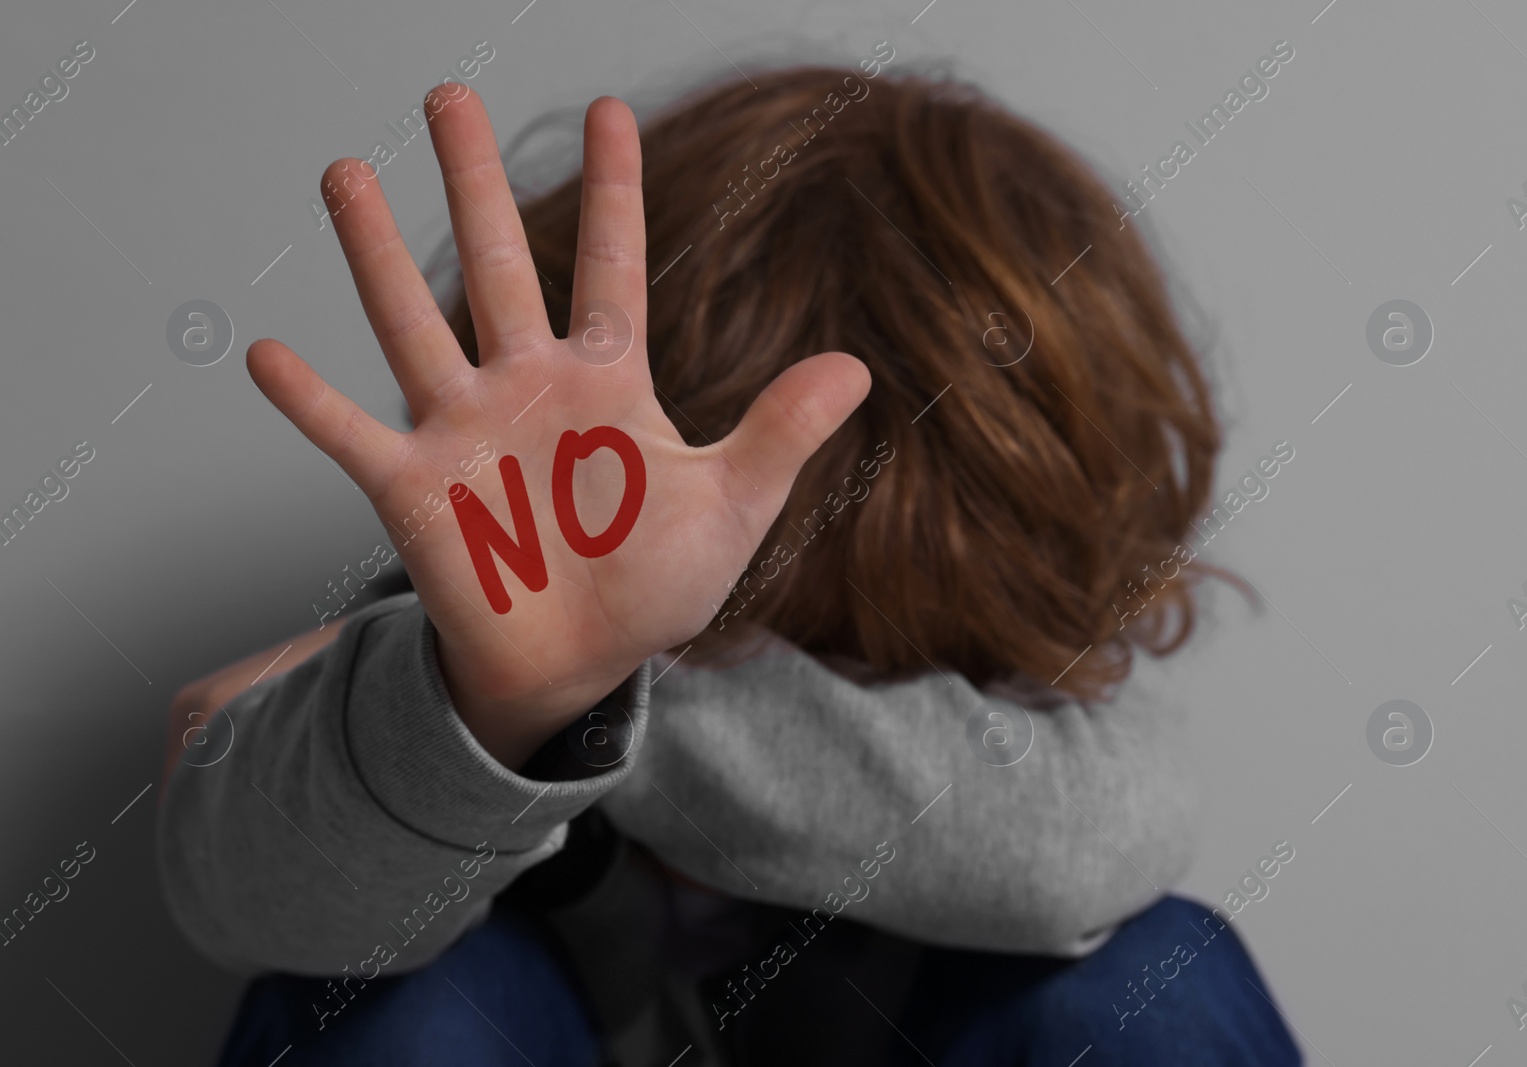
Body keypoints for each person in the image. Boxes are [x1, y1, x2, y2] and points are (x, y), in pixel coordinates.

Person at [157, 63, 1302, 1066]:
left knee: (1155, 977)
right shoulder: (483, 609)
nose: (787, 651)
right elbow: (249, 902)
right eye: (744, 618)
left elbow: (1066, 854)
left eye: (851, 650)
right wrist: (488, 701)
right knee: (412, 1008)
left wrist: (596, 697)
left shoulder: (1044, 694)